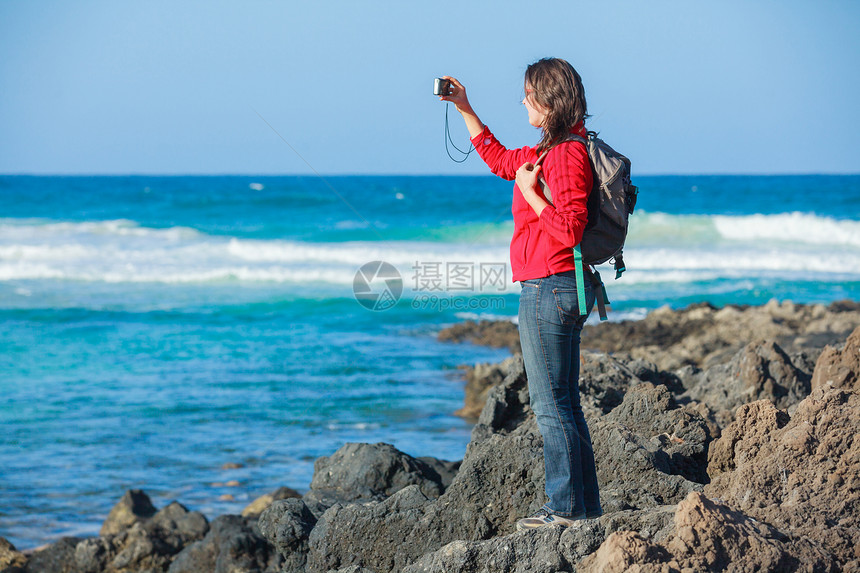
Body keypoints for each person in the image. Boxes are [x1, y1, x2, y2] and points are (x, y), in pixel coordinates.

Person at [440, 58, 602, 530]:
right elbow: (497, 159)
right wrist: (464, 106)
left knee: (551, 406)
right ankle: (584, 509)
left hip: (550, 287)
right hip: (553, 286)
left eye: (529, 94)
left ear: (550, 100)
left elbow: (570, 228)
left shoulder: (567, 155)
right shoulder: (546, 152)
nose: (523, 101)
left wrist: (532, 195)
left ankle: (565, 510)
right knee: (564, 403)